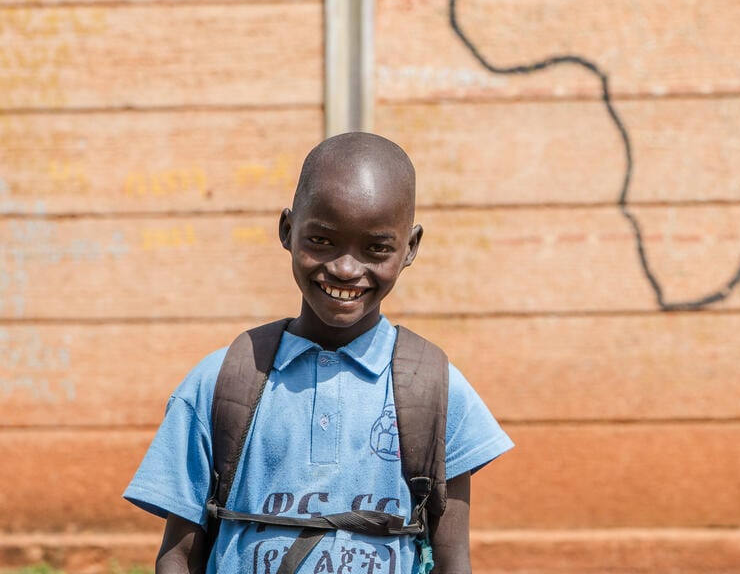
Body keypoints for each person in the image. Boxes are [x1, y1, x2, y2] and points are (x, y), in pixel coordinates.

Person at [125, 132, 513, 574]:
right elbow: (178, 556)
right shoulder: (221, 383)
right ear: (288, 231)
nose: (346, 268)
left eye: (377, 248)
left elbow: (451, 561)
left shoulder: (437, 391)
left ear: (410, 248)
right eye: (322, 241)